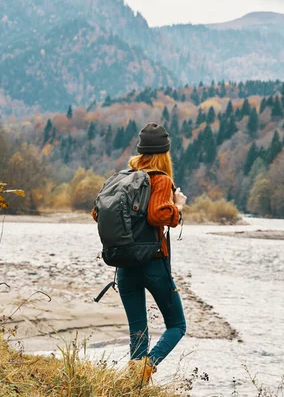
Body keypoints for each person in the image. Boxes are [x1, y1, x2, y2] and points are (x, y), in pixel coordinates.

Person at [93, 122, 187, 383]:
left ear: (141, 150)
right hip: (154, 264)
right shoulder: (160, 179)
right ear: (164, 152)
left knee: (138, 330)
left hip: (124, 264)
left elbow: (96, 213)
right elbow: (158, 214)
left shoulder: (122, 178)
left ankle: (136, 384)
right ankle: (147, 366)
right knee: (177, 325)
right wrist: (177, 206)